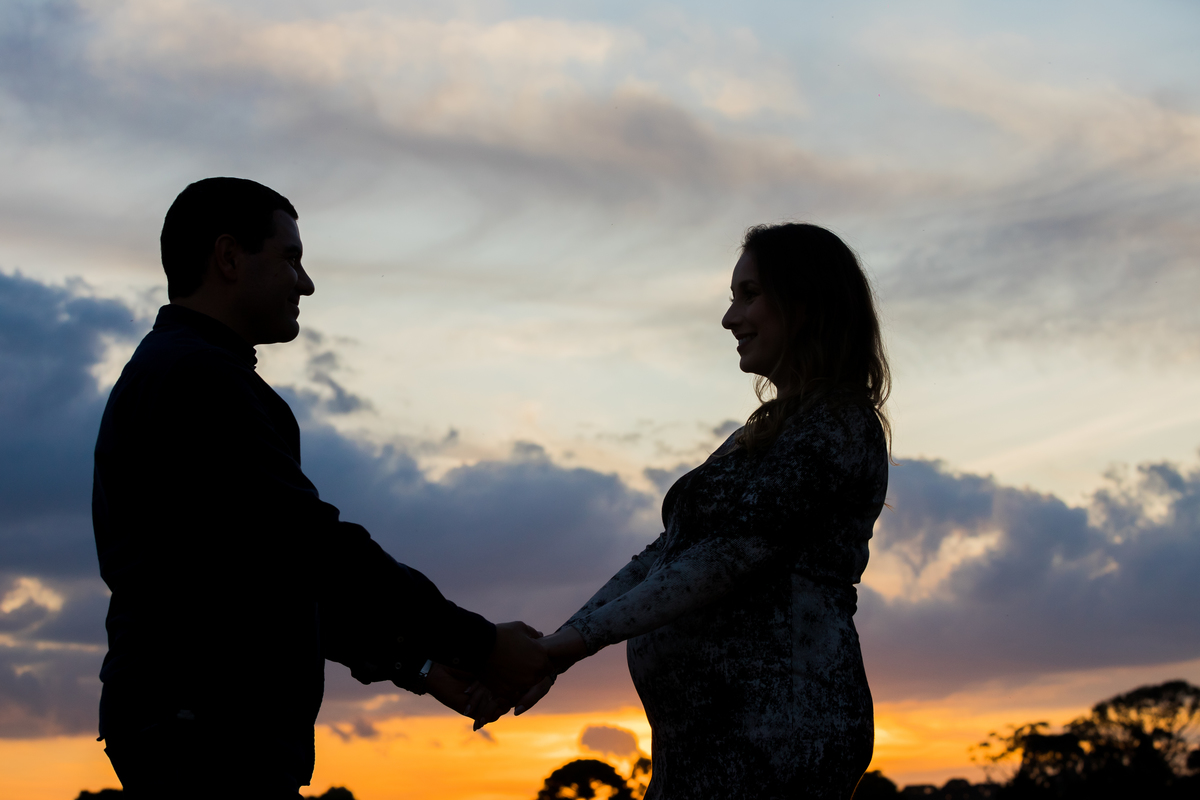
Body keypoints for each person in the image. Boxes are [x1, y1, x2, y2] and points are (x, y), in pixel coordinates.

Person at [92, 177, 548, 799]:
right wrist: (481, 643)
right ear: (228, 257)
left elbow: (270, 572)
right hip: (207, 731)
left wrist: (417, 664)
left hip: (196, 724)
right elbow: (309, 545)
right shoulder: (198, 378)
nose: (304, 284)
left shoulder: (184, 372)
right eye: (290, 258)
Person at [506, 223, 891, 799]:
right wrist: (558, 647)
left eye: (749, 295)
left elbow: (731, 554)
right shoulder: (758, 434)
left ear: (806, 303)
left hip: (780, 733)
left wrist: (571, 644)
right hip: (702, 745)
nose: (730, 318)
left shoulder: (840, 425)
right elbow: (665, 554)